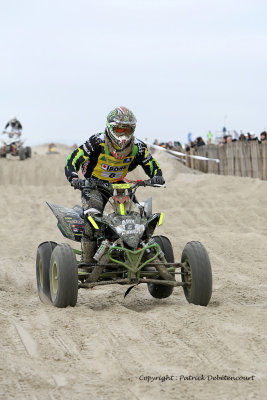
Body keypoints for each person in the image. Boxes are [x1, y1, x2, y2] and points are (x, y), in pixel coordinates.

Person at [65, 106, 165, 263]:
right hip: (93, 185)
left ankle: (141, 254)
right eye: (119, 129)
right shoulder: (96, 142)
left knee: (140, 218)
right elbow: (73, 159)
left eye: (128, 129)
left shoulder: (138, 147)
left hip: (120, 186)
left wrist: (157, 176)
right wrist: (73, 177)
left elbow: (151, 164)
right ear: (110, 127)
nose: (123, 134)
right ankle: (87, 260)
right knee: (93, 219)